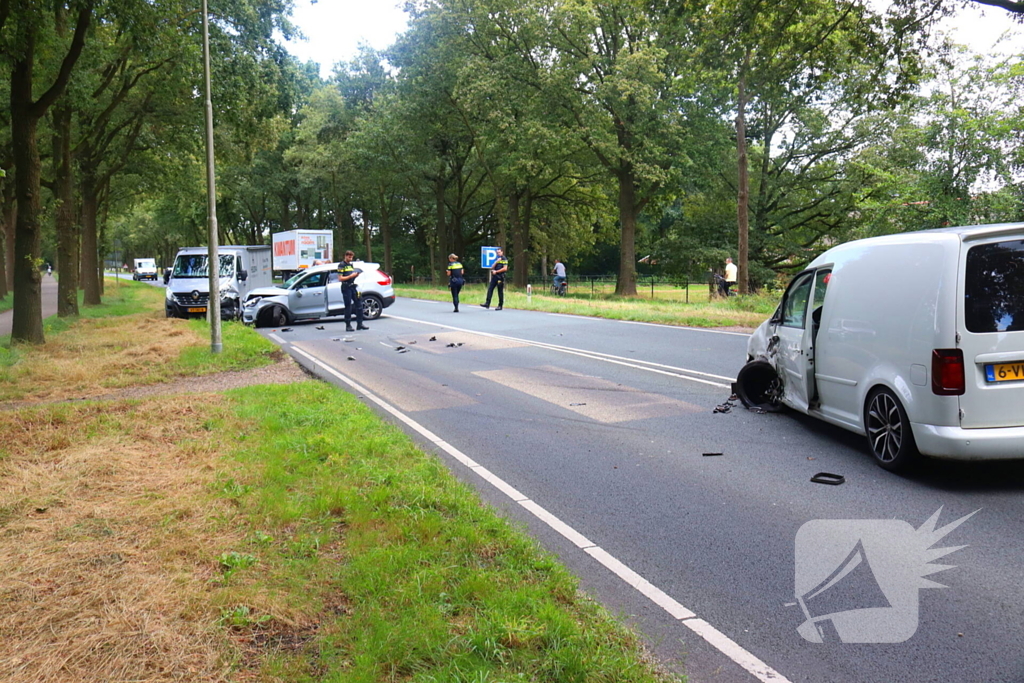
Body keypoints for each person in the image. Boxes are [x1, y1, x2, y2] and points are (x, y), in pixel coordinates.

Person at [338, 250, 368, 331]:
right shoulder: (341, 265)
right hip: (346, 287)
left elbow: (351, 276)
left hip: (353, 286)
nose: (350, 258)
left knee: (359, 304)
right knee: (348, 306)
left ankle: (360, 324)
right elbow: (340, 278)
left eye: (351, 257)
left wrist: (356, 275)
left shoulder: (351, 265)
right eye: (349, 257)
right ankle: (348, 325)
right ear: (345, 256)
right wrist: (351, 276)